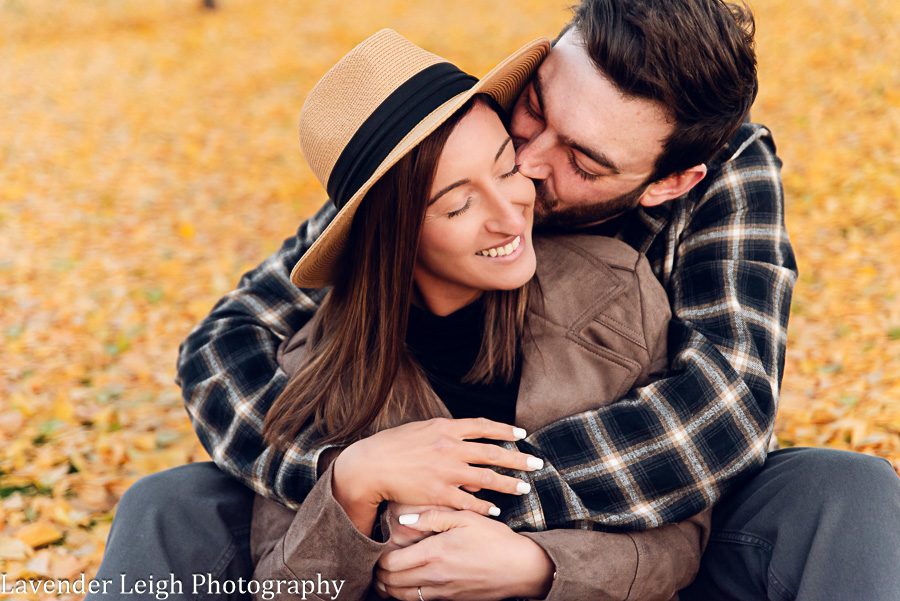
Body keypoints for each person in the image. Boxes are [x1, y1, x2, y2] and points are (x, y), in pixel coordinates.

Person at [93, 1, 900, 600]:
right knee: (171, 505)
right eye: (535, 115)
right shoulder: (452, 143)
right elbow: (226, 338)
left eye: (582, 159)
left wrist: (499, 513)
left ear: (670, 182)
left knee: (846, 492)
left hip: (632, 509)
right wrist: (349, 480)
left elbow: (723, 409)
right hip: (384, 504)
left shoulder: (707, 191)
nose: (532, 171)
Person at [247, 30, 708, 601]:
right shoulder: (315, 372)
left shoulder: (613, 297)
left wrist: (540, 566)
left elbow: (685, 534)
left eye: (508, 168)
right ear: (394, 238)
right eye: (459, 204)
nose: (510, 216)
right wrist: (351, 487)